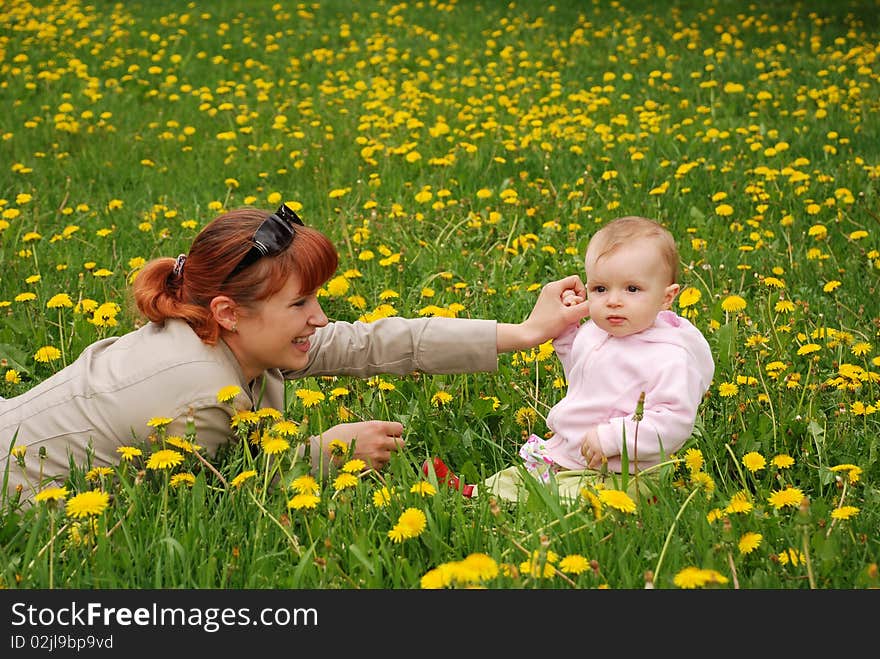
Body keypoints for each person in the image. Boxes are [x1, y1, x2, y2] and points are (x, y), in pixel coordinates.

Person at [0, 204, 590, 505]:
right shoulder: (197, 393)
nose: (320, 318)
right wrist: (320, 454)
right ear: (231, 311)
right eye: (301, 302)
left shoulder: (219, 331)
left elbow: (371, 343)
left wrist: (522, 334)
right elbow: (212, 504)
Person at [425, 215, 715, 501]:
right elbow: (581, 376)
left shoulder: (670, 357)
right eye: (600, 289)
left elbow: (673, 422)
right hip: (570, 449)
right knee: (519, 476)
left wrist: (615, 438)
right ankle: (477, 494)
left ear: (667, 297)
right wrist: (566, 336)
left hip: (621, 469)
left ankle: (520, 505)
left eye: (632, 289)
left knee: (571, 498)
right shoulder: (595, 333)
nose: (613, 300)